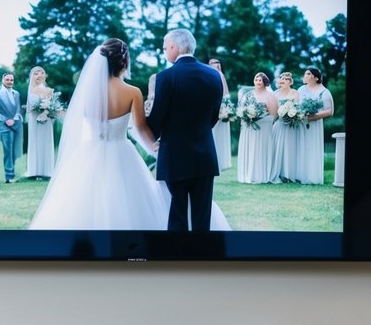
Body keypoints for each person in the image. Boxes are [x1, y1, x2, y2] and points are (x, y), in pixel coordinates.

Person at [30, 38, 229, 232]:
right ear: (124, 61)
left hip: (88, 153)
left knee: (81, 201)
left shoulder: (85, 93)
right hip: (124, 152)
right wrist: (153, 145)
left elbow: (79, 121)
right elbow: (141, 127)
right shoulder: (132, 91)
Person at [148, 28, 224, 232]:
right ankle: (202, 258)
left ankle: (177, 256)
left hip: (175, 154)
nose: (164, 51)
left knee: (178, 212)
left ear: (174, 46)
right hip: (205, 153)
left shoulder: (165, 76)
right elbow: (215, 115)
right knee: (202, 214)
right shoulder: (214, 75)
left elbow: (157, 117)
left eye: (165, 47)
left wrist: (151, 136)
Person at [293, 67, 334, 185]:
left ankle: (312, 177)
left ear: (316, 78)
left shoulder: (324, 92)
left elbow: (329, 111)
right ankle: (299, 175)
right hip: (301, 124)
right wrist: (298, 114)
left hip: (315, 125)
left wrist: (313, 116)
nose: (305, 75)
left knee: (312, 147)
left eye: (308, 73)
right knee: (301, 147)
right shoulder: (300, 89)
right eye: (305, 73)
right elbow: (295, 105)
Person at [237, 72, 278, 184]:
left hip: (263, 130)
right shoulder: (248, 95)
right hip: (248, 128)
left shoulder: (270, 96)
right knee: (249, 150)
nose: (258, 82)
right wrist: (246, 116)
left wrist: (258, 117)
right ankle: (247, 174)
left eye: (260, 80)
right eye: (256, 79)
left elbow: (274, 115)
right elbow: (241, 109)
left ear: (265, 82)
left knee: (260, 150)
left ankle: (260, 174)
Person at [25, 65, 55, 179]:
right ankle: (35, 171)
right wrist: (40, 110)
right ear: (32, 77)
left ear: (45, 75)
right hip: (35, 120)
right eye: (36, 73)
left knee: (46, 143)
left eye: (41, 73)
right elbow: (30, 108)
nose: (39, 75)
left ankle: (47, 171)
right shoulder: (32, 90)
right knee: (36, 143)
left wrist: (49, 111)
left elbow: (54, 106)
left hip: (47, 121)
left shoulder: (50, 90)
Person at [270, 70, 300, 182]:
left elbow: (296, 108)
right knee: (276, 148)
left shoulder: (295, 93)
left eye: (286, 78)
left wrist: (290, 114)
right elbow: (273, 112)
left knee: (289, 148)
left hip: (291, 124)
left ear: (290, 82)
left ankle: (288, 174)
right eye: (282, 78)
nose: (283, 80)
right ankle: (277, 173)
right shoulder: (275, 94)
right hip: (278, 123)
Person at [0, 72, 23, 183]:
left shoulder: (16, 93)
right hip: (4, 126)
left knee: (16, 151)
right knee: (8, 151)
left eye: (11, 80)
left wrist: (14, 119)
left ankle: (14, 173)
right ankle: (9, 176)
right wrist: (6, 119)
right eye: (7, 79)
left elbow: (18, 109)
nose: (10, 82)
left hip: (16, 125)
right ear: (3, 79)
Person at [208, 57, 232, 171]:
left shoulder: (220, 75)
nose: (215, 64)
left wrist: (225, 108)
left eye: (216, 62)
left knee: (218, 135)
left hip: (221, 110)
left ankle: (219, 161)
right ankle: (214, 160)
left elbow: (226, 94)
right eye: (212, 63)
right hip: (211, 109)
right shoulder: (209, 75)